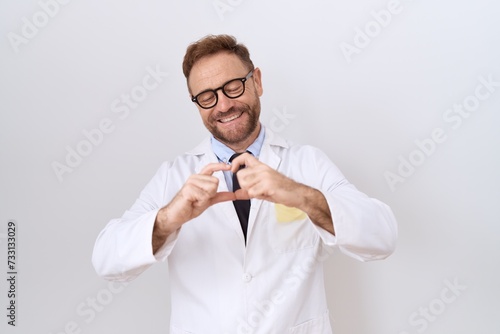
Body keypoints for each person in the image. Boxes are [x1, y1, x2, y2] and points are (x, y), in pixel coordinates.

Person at [92, 34, 398, 334]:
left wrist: (300, 195)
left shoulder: (307, 164)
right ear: (196, 103)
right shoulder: (174, 175)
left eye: (233, 87)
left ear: (257, 82)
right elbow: (107, 261)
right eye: (207, 96)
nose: (223, 105)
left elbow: (382, 237)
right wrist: (170, 218)